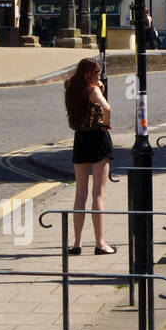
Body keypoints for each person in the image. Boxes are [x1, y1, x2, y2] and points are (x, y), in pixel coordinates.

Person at [64, 57, 115, 255]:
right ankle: (100, 243)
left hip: (81, 140)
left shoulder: (72, 88)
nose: (99, 76)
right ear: (88, 75)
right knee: (98, 194)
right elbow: (107, 108)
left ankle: (77, 243)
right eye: (97, 73)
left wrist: (99, 88)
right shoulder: (93, 90)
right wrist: (105, 124)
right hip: (98, 140)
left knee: (80, 194)